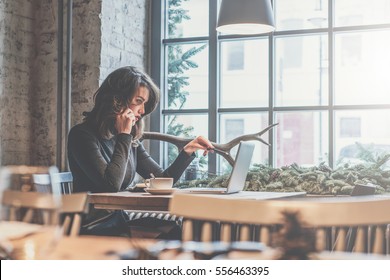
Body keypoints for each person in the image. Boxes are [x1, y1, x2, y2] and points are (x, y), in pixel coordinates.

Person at [67, 66, 214, 239]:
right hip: (93, 227)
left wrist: (188, 151)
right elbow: (110, 185)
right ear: (117, 100)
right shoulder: (82, 135)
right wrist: (124, 134)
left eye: (144, 103)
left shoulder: (129, 140)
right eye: (138, 101)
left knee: (176, 230)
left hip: (117, 221)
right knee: (171, 237)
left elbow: (162, 179)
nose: (142, 111)